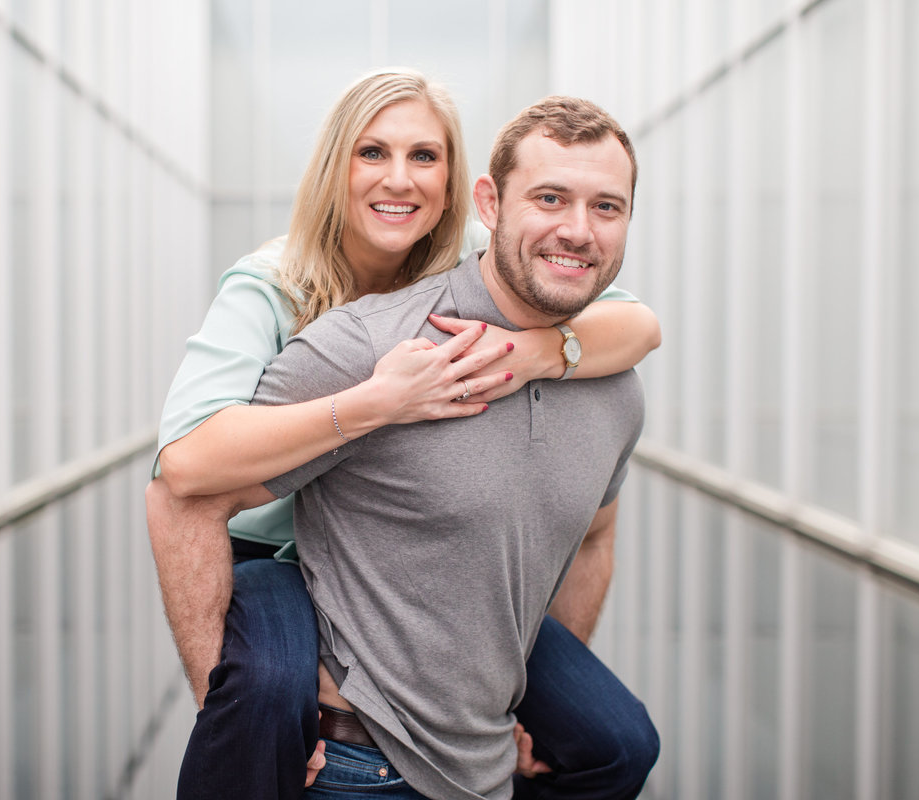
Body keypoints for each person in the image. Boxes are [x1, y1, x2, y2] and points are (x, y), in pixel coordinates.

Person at [147, 71, 660, 799]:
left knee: (620, 742)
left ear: (458, 189)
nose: (400, 179)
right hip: (271, 545)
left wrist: (545, 352)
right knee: (261, 697)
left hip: (436, 590)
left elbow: (639, 323)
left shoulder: (481, 257)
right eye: (372, 153)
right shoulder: (276, 288)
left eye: (424, 157)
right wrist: (372, 404)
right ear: (335, 170)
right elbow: (184, 472)